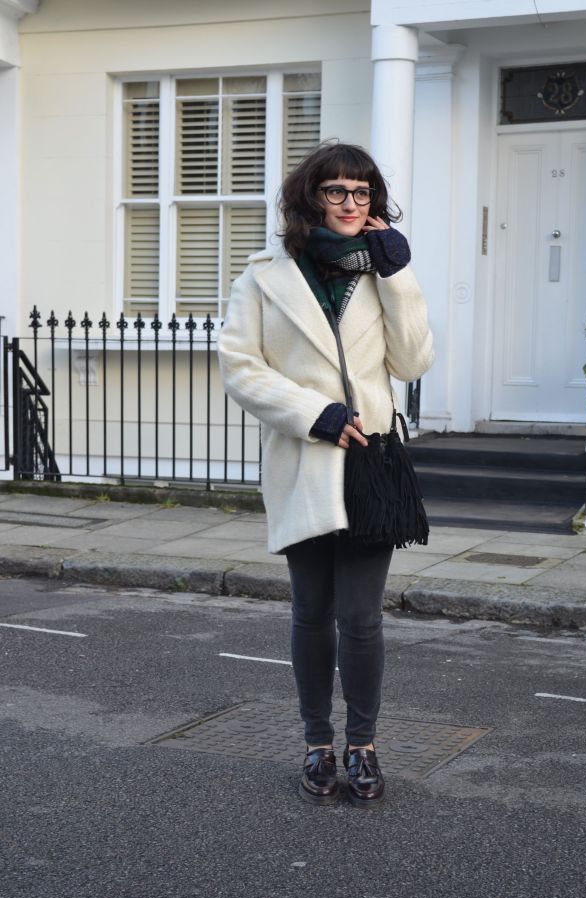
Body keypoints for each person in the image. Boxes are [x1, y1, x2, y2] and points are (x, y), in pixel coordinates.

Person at [218, 141, 434, 808]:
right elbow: (241, 368)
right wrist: (313, 413)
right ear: (310, 197)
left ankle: (362, 745)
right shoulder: (263, 277)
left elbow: (413, 363)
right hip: (304, 460)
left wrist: (398, 276)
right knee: (312, 612)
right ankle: (316, 741)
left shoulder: (380, 270)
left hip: (371, 463)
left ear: (373, 203)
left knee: (362, 618)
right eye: (335, 191)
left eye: (360, 193)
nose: (348, 204)